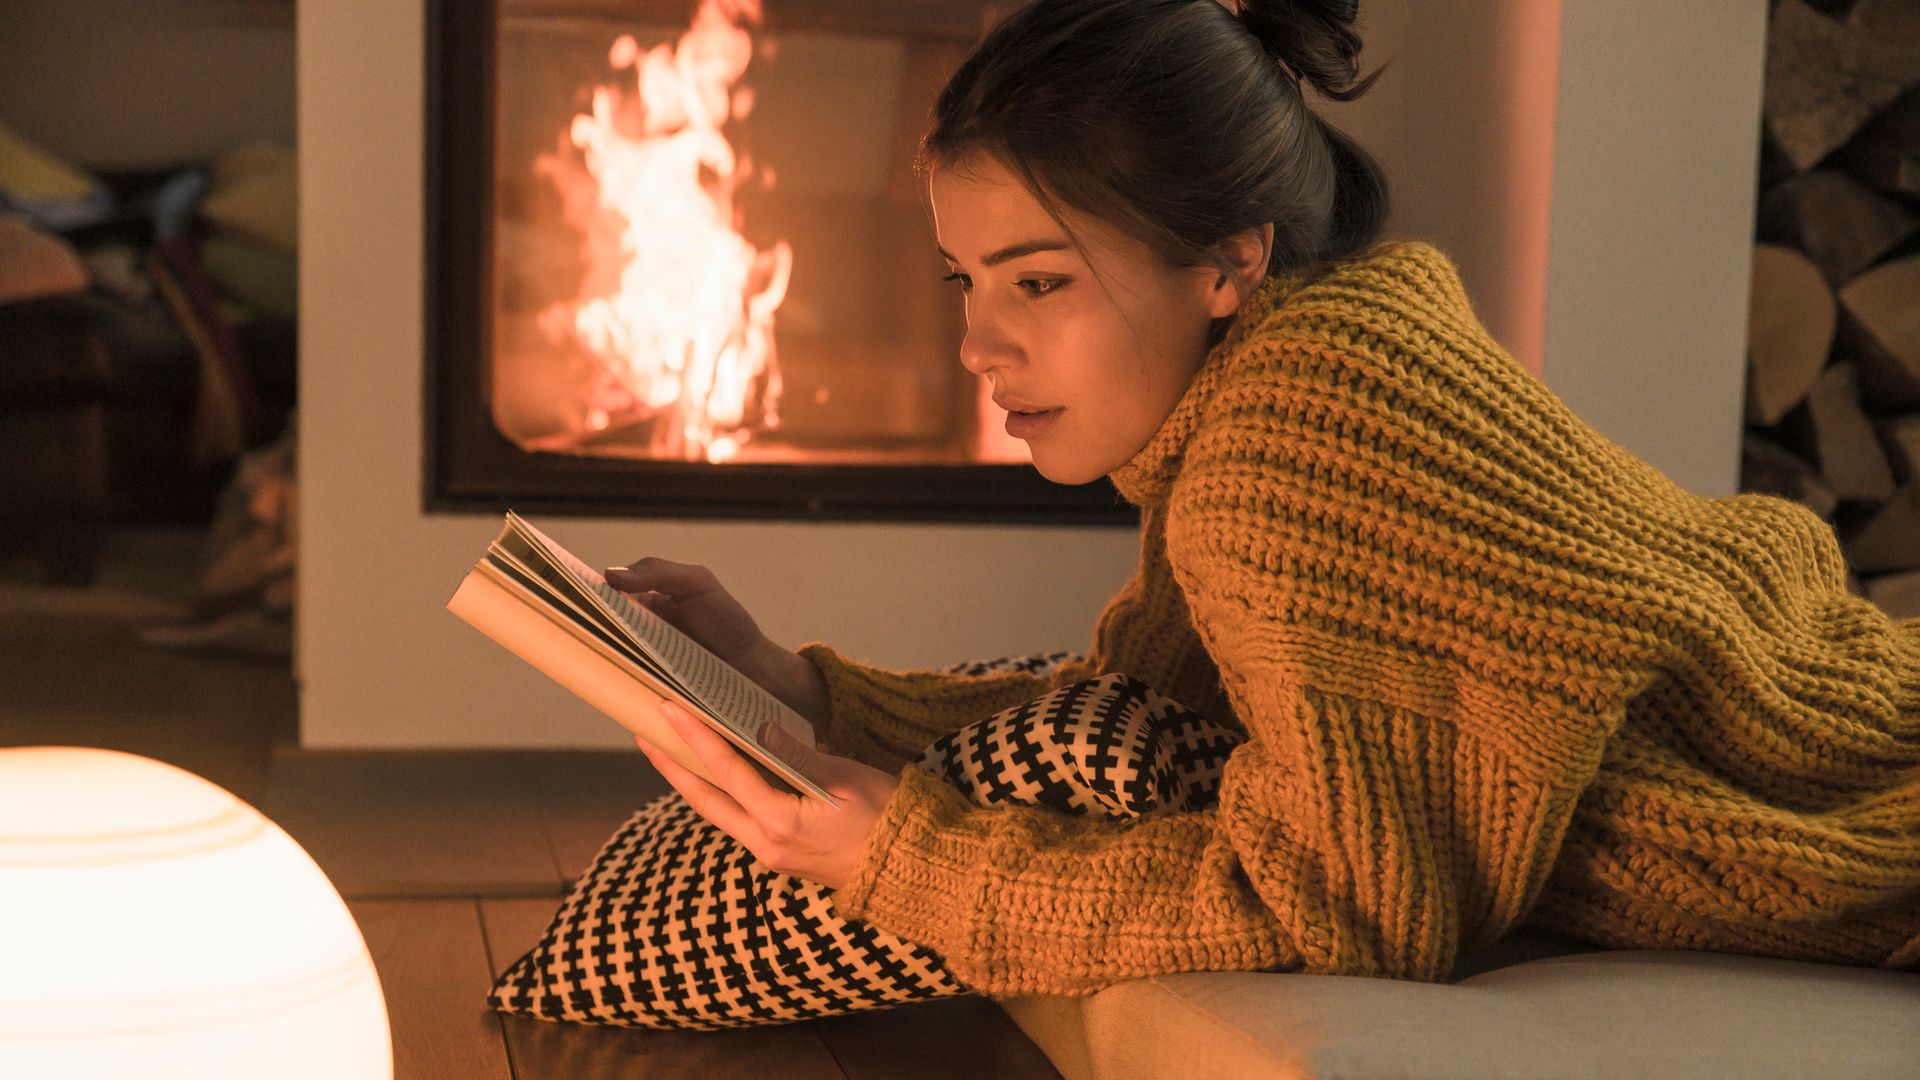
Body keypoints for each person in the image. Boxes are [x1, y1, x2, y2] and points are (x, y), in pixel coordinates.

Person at [605, 0, 1920, 1002]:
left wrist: (900, 859)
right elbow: (1145, 708)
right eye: (968, 284)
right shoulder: (1277, 390)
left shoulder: (1284, 449)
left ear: (1231, 261)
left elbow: (1346, 899)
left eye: (1040, 283)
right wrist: (802, 688)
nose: (980, 349)